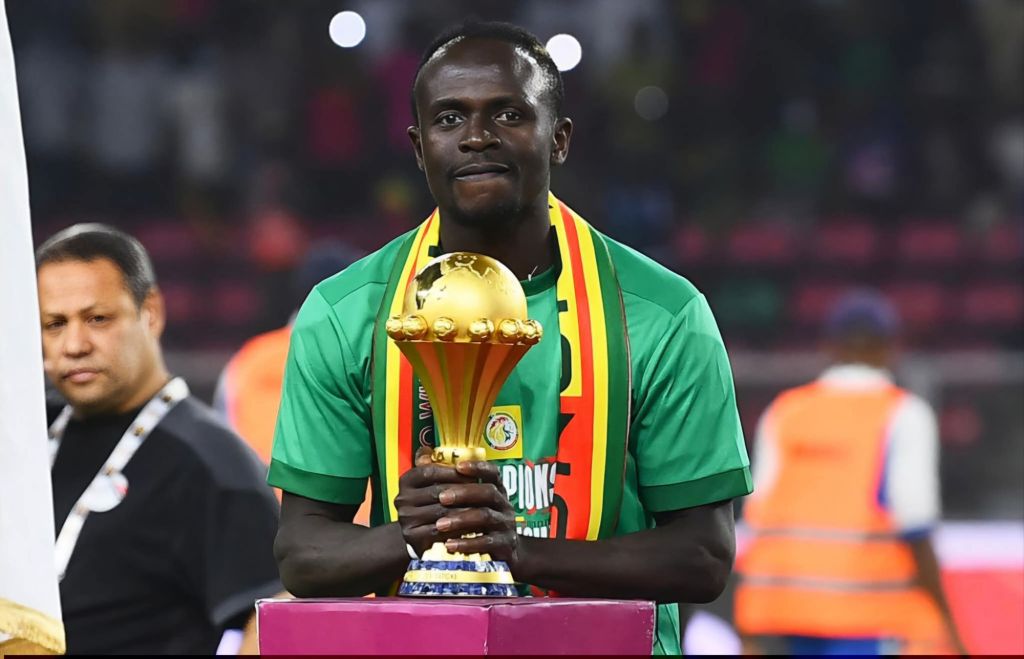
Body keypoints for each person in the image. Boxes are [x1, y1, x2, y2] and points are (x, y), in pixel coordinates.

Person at [269, 21, 752, 655]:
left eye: (508, 114)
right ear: (418, 148)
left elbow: (704, 557)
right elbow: (302, 554)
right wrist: (412, 535)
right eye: (449, 119)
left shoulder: (663, 314)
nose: (477, 136)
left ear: (560, 139)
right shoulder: (344, 313)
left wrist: (517, 551)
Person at [37, 224, 283, 654]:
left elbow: (271, 618)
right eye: (54, 324)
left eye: (97, 319)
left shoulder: (214, 464)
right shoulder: (26, 434)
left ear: (150, 312)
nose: (74, 345)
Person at [735, 289, 967, 656]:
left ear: (829, 346)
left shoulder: (786, 411)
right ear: (892, 347)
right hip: (865, 618)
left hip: (776, 617)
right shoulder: (903, 414)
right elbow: (915, 522)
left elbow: (755, 515)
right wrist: (948, 622)